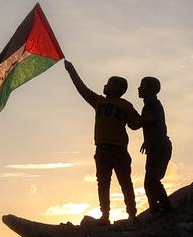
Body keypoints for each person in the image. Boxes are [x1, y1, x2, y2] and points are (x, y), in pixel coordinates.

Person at [64, 60, 142, 225]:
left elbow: (135, 124)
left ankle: (132, 214)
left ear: (116, 88)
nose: (105, 85)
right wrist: (71, 71)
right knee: (103, 183)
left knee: (125, 182)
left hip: (119, 150)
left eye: (109, 83)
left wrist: (147, 118)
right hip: (102, 149)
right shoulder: (98, 101)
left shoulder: (125, 105)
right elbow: (81, 89)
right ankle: (105, 215)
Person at [138, 76, 172, 215]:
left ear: (151, 89)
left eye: (142, 86)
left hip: (160, 147)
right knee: (151, 181)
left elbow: (150, 120)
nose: (139, 88)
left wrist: (135, 119)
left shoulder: (151, 104)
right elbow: (155, 125)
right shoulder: (151, 104)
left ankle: (163, 209)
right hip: (157, 147)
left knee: (151, 181)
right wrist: (147, 141)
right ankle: (159, 209)